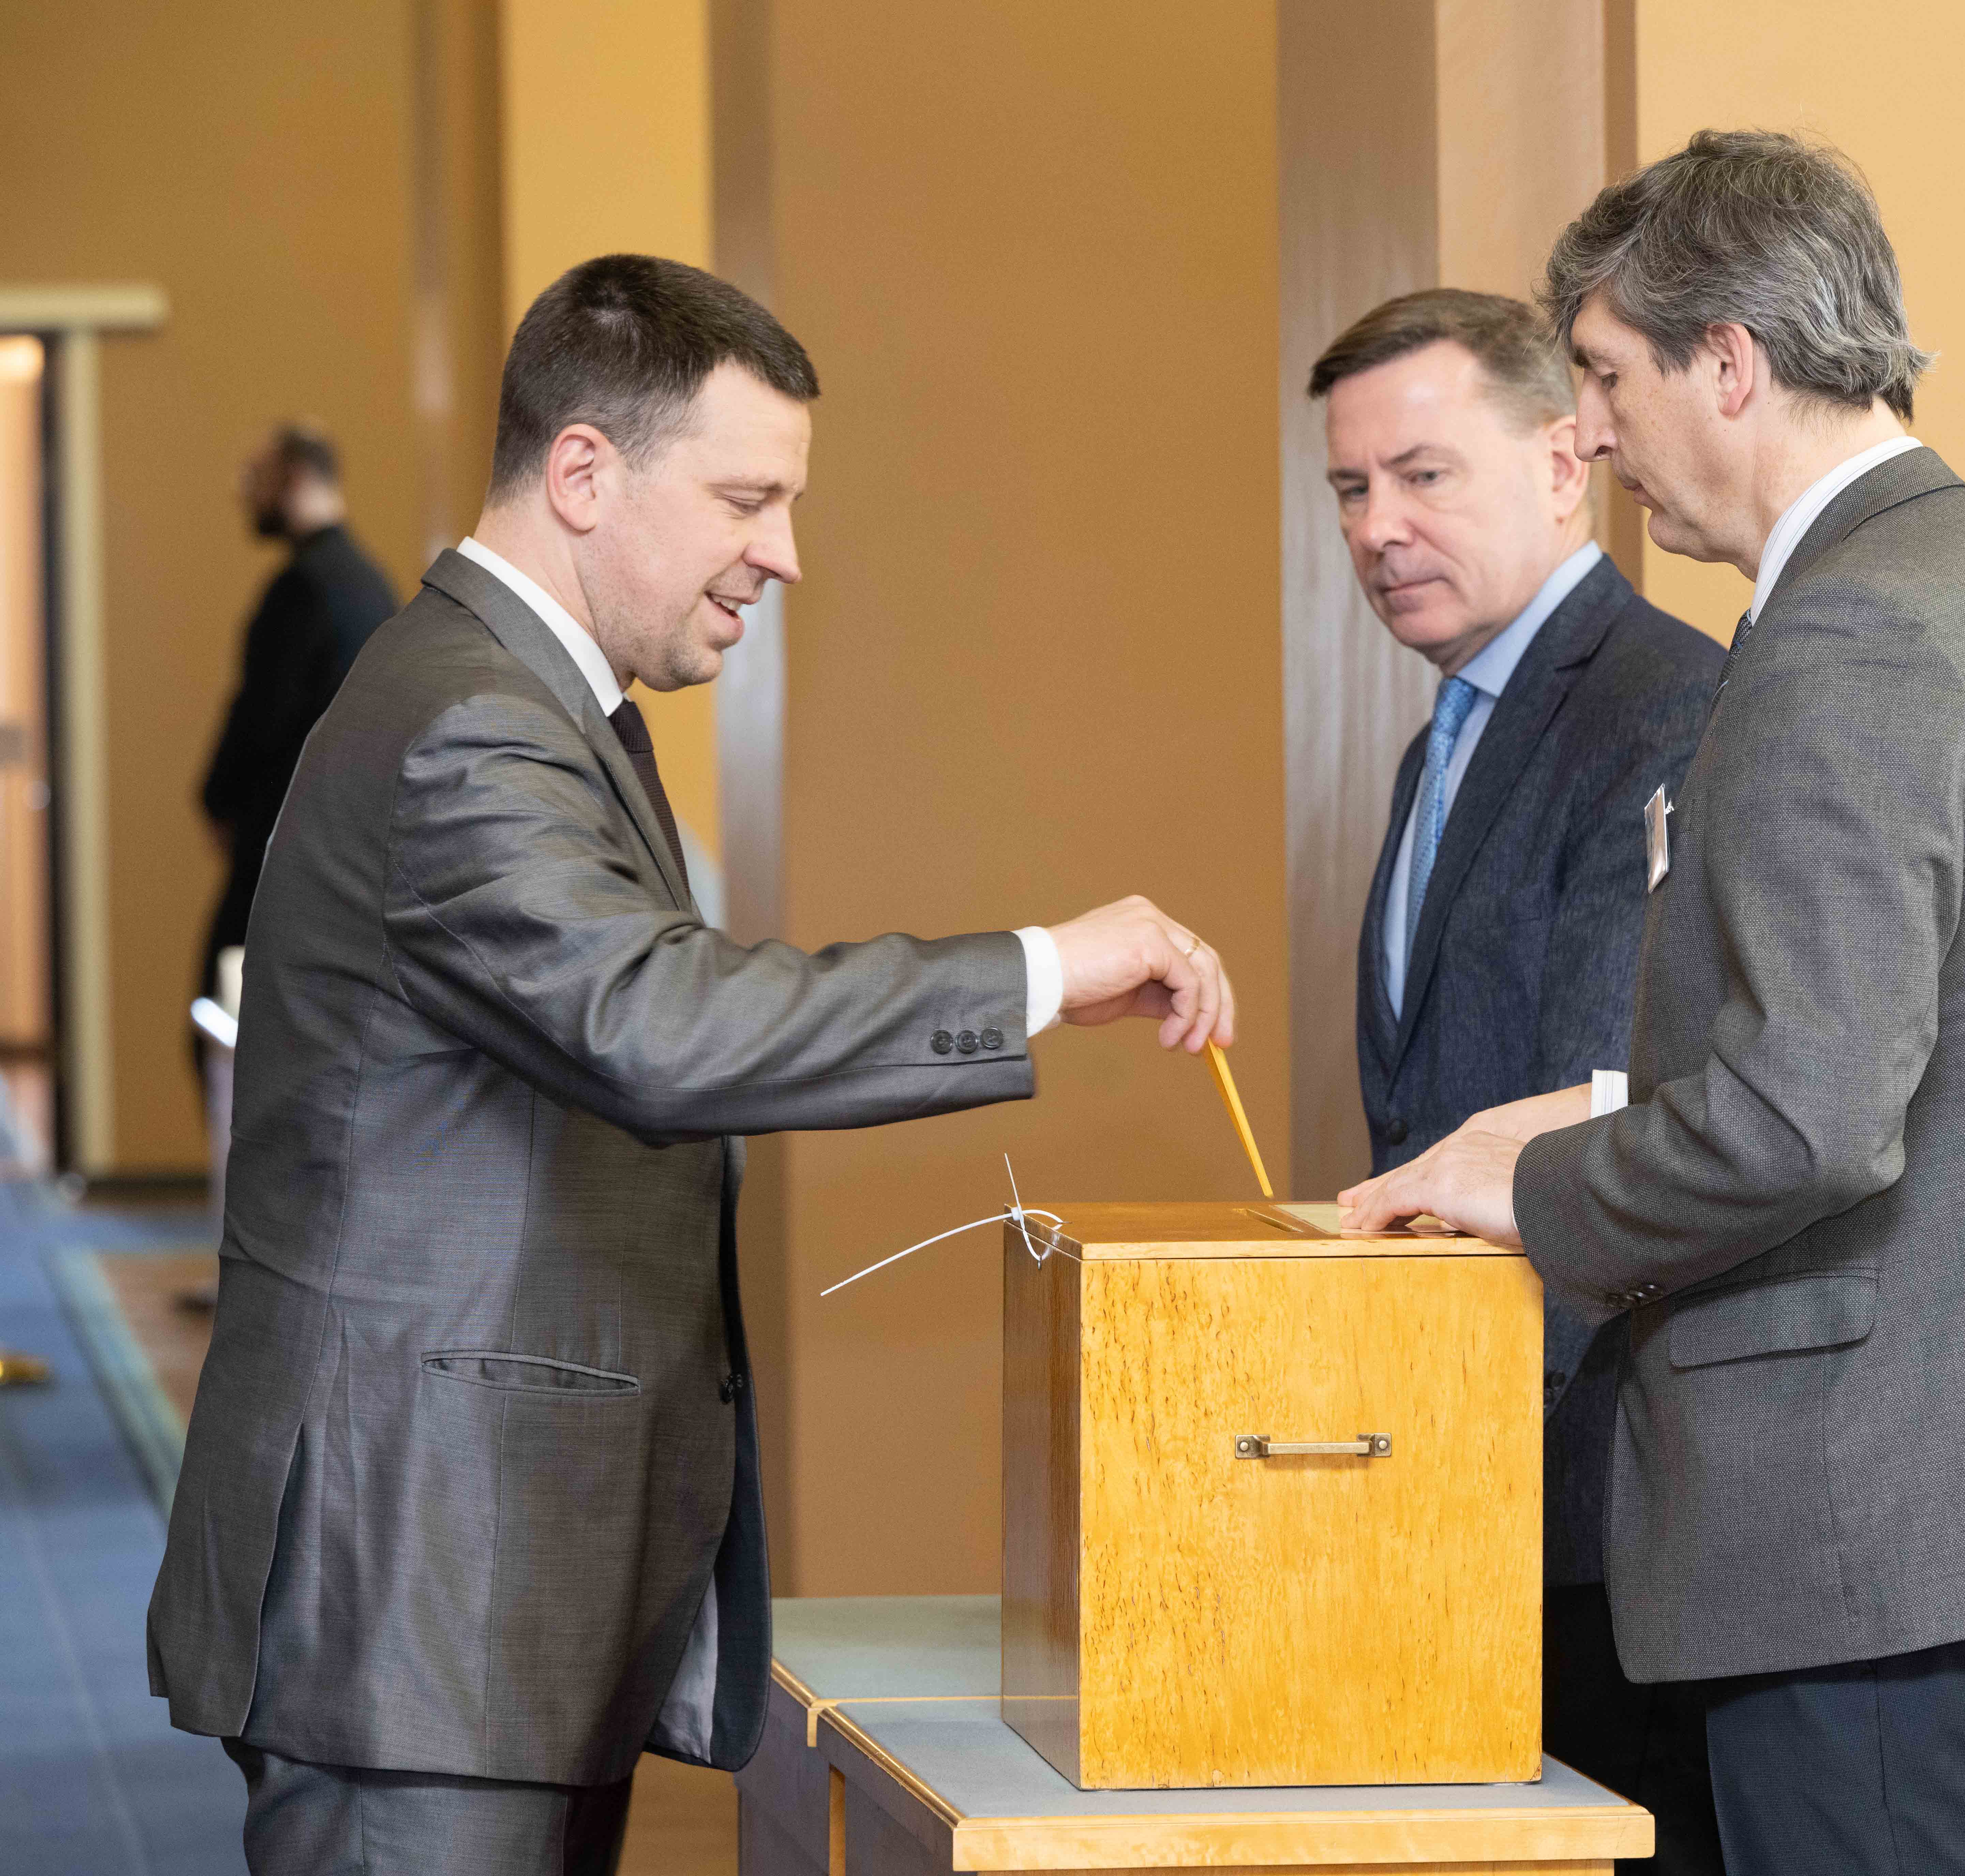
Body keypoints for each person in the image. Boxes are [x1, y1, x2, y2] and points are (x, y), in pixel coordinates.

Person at [148, 254, 1239, 1876]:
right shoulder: (469, 720)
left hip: (474, 1600)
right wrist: (1039, 968)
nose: (782, 553)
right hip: (418, 1598)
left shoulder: (532, 701)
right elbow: (656, 1024)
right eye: (747, 499)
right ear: (583, 473)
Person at [1339, 132, 1965, 1872]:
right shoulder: (1962, 574)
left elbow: (1806, 1116)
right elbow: (1906, 1051)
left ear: (1727, 361)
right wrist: (1592, 1115)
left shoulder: (1849, 633)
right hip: (1960, 1513)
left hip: (1870, 1535)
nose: (1587, 433)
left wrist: (1528, 1188)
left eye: (1603, 377)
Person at [1310, 289, 1722, 1871]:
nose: (1377, 528)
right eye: (1350, 488)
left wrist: (1441, 1483)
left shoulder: (1654, 705)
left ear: (1563, 464)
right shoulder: (1444, 739)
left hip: (1592, 1515)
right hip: (1471, 1499)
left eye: (1423, 475)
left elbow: (1595, 1110)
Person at [197, 423, 398, 1008]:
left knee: (227, 1020)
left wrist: (216, 799)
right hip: (346, 858)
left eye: (259, 477)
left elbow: (261, 718)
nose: (245, 491)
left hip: (281, 851)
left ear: (296, 479)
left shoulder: (303, 588)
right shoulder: (371, 583)